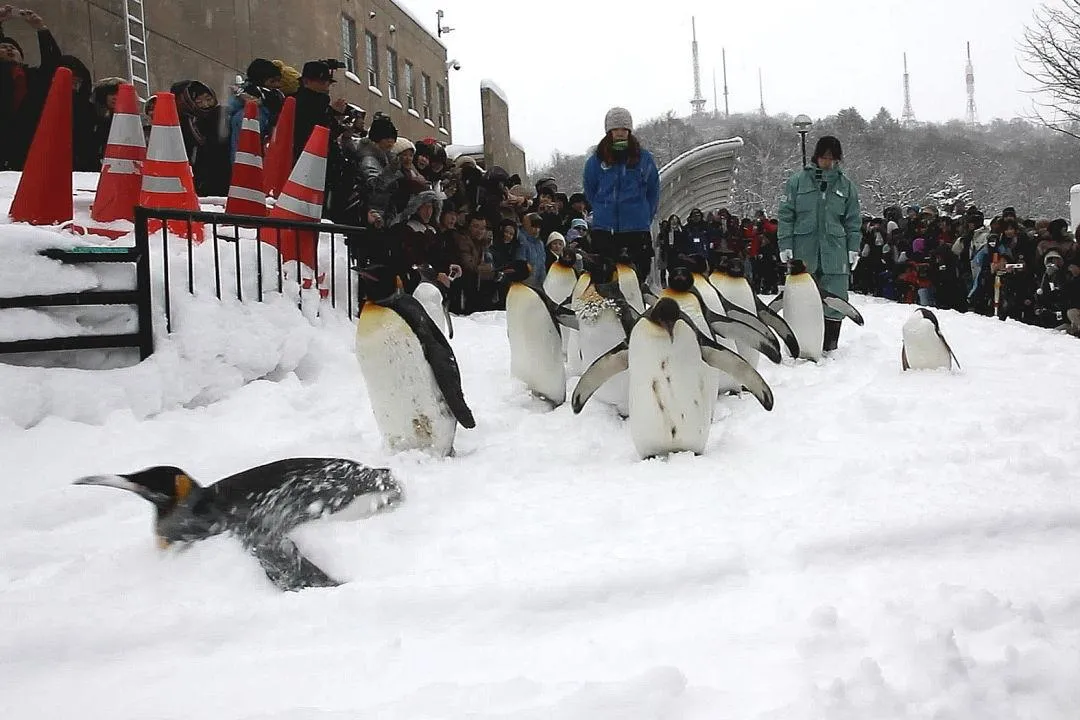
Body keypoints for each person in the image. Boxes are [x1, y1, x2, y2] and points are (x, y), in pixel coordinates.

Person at [777, 135, 862, 351]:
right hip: (803, 251)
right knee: (802, 300)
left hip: (835, 251)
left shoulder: (846, 186)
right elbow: (786, 215)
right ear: (816, 156)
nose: (828, 162)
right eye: (824, 157)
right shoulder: (797, 182)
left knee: (835, 297)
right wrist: (785, 243)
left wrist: (853, 247)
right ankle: (801, 344)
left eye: (832, 158)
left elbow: (853, 220)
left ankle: (829, 345)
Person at [582, 106, 660, 284]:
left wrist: (643, 215)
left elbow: (653, 190)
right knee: (605, 281)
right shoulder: (596, 161)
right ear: (608, 131)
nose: (620, 133)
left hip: (636, 231)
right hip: (605, 232)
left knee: (636, 281)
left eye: (624, 129)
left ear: (629, 131)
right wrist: (603, 210)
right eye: (615, 129)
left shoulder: (643, 158)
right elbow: (590, 189)